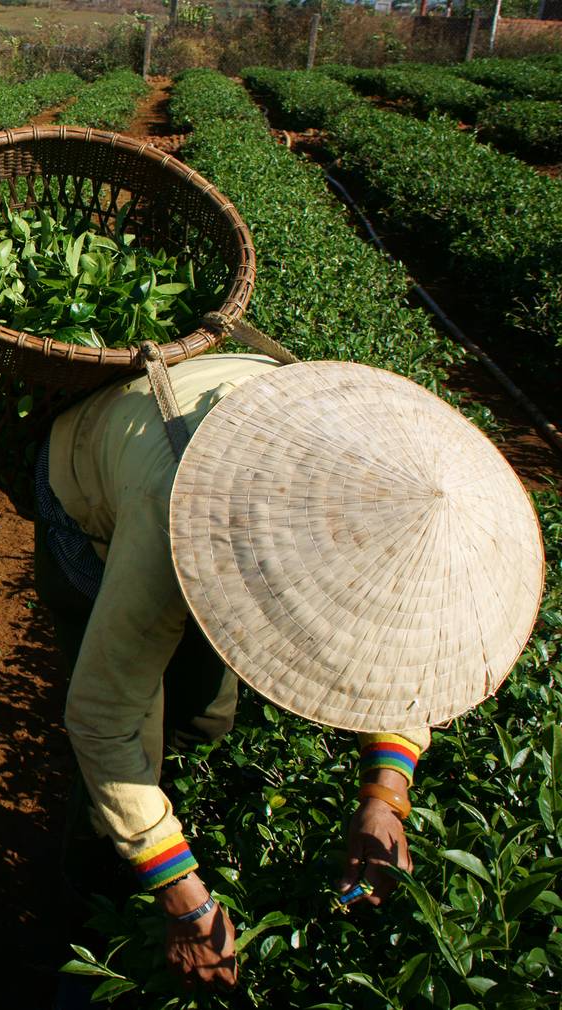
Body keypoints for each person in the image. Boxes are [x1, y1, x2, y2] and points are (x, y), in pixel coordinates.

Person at [36, 353, 542, 999]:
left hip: (224, 441)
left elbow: (401, 646)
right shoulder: (167, 520)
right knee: (136, 733)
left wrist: (385, 795)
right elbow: (102, 719)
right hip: (95, 471)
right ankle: (92, 894)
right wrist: (186, 903)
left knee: (206, 713)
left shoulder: (407, 491)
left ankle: (156, 826)